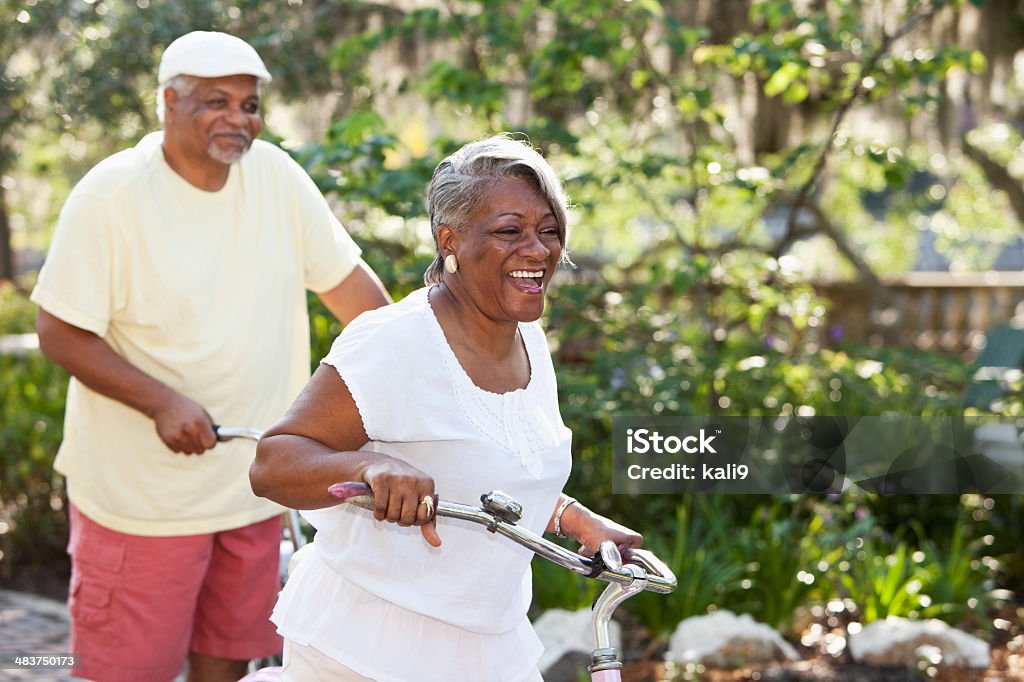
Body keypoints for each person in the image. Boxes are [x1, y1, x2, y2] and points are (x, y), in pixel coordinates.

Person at [31, 31, 390, 682]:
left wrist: (411, 386)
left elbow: (362, 303)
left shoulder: (278, 177)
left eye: (249, 105)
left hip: (253, 488)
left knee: (226, 662)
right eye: (216, 101)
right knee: (125, 672)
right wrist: (161, 401)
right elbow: (59, 331)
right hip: (142, 501)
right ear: (168, 103)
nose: (239, 119)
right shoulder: (111, 196)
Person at [249, 134, 643, 682]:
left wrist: (573, 518)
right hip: (366, 648)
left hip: (491, 646)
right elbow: (272, 462)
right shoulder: (393, 341)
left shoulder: (528, 339)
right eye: (510, 231)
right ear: (449, 238)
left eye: (548, 231)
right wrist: (369, 467)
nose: (538, 250)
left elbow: (486, 466)